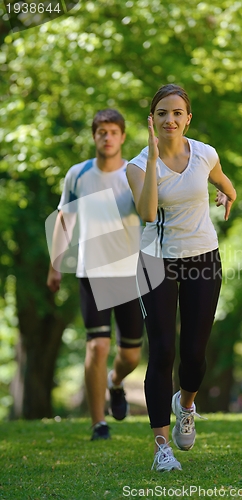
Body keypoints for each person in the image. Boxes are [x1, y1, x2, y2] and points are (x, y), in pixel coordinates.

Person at [127, 84, 237, 471]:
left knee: (193, 354)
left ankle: (185, 405)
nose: (170, 119)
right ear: (152, 120)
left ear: (187, 118)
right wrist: (156, 159)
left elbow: (226, 184)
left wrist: (225, 196)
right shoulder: (138, 165)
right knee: (162, 352)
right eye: (162, 113)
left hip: (203, 257)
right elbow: (148, 213)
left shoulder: (205, 154)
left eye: (177, 113)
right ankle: (161, 449)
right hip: (156, 261)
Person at [47, 109, 144, 440]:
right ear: (94, 137)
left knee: (130, 354)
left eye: (113, 131)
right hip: (92, 272)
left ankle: (116, 383)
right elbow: (64, 220)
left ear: (122, 136)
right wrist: (55, 263)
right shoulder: (78, 174)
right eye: (101, 131)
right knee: (97, 346)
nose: (107, 137)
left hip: (130, 273)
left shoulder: (134, 173)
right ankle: (97, 423)